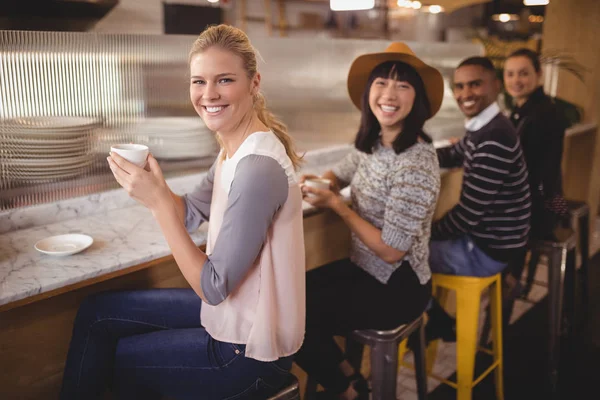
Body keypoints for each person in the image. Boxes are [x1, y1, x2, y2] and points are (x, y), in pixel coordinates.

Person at [60, 24, 306, 400]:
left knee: (119, 357)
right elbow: (191, 212)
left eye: (224, 80)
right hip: (236, 320)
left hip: (248, 353)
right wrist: (154, 188)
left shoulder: (257, 168)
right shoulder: (232, 149)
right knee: (97, 313)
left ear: (254, 83)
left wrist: (159, 205)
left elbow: (213, 287)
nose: (208, 94)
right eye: (198, 81)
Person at [293, 42, 443, 400]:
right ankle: (350, 378)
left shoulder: (416, 162)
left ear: (416, 100)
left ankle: (347, 390)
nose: (389, 94)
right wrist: (323, 183)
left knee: (294, 318)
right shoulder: (376, 142)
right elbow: (342, 172)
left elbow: (392, 250)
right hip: (365, 268)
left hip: (398, 286)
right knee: (288, 296)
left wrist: (337, 206)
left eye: (402, 86)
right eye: (381, 83)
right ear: (368, 92)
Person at [426, 56, 532, 340]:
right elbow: (454, 153)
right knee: (404, 247)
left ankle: (439, 321)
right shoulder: (486, 125)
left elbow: (467, 215)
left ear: (495, 86)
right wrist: (413, 156)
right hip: (499, 244)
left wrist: (426, 234)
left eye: (475, 84)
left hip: (487, 251)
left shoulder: (493, 137)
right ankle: (436, 320)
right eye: (459, 86)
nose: (465, 94)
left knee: (396, 256)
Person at [503, 48, 569, 292]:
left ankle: (508, 286)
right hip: (538, 203)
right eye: (510, 74)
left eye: (523, 73)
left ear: (538, 75)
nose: (515, 80)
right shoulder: (525, 110)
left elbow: (535, 174)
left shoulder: (544, 114)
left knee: (484, 222)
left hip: (539, 210)